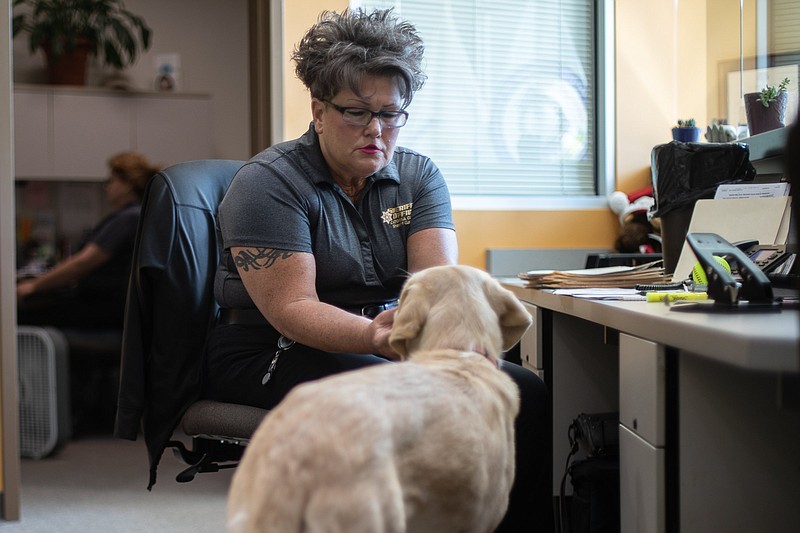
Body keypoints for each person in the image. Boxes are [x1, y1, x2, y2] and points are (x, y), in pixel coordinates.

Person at [204, 8, 554, 532]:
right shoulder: (268, 184)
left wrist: (444, 340)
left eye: (391, 114)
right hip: (268, 347)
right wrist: (376, 336)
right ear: (318, 111)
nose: (377, 130)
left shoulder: (417, 176)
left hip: (384, 336)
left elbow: (435, 285)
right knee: (387, 401)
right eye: (357, 113)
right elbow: (292, 308)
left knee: (522, 389)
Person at [17, 151, 160, 329]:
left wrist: (33, 286)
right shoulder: (136, 215)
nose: (106, 187)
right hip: (111, 307)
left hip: (101, 307)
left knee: (18, 314)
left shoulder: (128, 218)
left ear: (127, 185)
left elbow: (83, 263)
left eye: (111, 181)